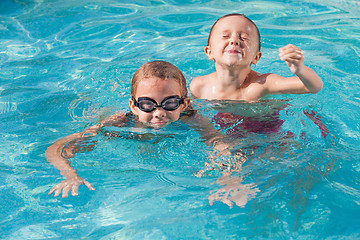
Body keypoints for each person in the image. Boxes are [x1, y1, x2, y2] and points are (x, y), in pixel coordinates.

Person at [46, 61, 191, 198]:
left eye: (170, 102)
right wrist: (71, 175)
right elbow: (57, 149)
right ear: (134, 106)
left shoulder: (192, 119)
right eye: (147, 104)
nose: (159, 112)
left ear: (184, 104)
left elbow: (214, 140)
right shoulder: (117, 125)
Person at [190, 13, 323, 101]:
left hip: (266, 130)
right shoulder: (199, 87)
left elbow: (314, 87)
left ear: (256, 57)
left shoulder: (262, 84)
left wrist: (300, 69)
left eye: (244, 38)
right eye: (225, 36)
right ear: (209, 52)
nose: (234, 41)